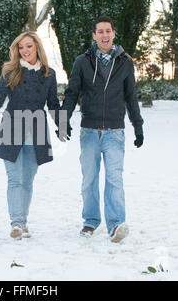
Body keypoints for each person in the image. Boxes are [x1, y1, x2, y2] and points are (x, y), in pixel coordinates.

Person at [60, 15, 144, 243]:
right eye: (100, 31)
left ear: (113, 34)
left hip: (115, 132)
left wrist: (138, 126)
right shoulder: (82, 62)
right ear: (94, 35)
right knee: (89, 179)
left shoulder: (125, 62)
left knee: (115, 179)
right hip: (90, 131)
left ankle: (116, 224)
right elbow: (71, 93)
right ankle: (90, 221)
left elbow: (131, 97)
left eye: (108, 31)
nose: (105, 35)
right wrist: (63, 119)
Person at [0, 31, 65, 240]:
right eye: (21, 47)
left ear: (37, 48)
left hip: (37, 133)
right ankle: (16, 223)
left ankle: (23, 222)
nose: (25, 50)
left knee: (27, 181)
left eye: (29, 46)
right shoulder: (10, 72)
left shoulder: (49, 74)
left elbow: (53, 103)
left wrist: (61, 125)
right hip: (11, 130)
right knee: (14, 180)